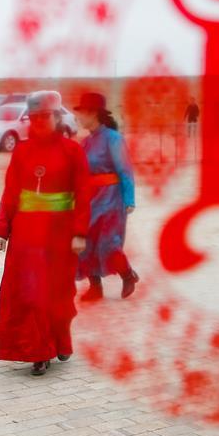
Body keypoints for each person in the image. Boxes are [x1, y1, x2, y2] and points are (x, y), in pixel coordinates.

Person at [0, 91, 91, 376]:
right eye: (35, 117)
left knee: (57, 293)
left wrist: (80, 232)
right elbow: (11, 193)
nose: (40, 122)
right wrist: (2, 230)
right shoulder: (22, 150)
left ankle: (59, 339)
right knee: (30, 292)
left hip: (59, 235)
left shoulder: (73, 151)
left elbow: (83, 195)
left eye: (45, 116)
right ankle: (39, 351)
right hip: (26, 235)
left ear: (57, 117)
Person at [73, 92, 138, 301]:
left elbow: (125, 170)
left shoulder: (113, 139)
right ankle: (95, 287)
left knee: (109, 243)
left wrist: (129, 199)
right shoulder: (85, 142)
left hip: (111, 199)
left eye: (82, 113)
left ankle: (127, 275)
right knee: (86, 242)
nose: (79, 117)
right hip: (90, 199)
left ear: (93, 114)